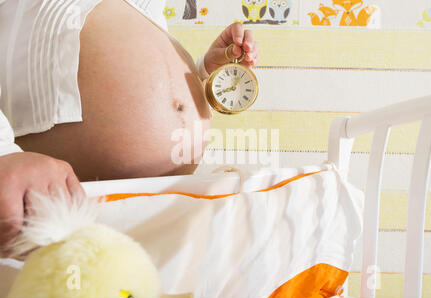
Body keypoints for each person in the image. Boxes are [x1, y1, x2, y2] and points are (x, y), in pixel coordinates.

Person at [0, 0, 259, 254]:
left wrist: (200, 73)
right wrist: (3, 152)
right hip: (62, 205)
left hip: (166, 208)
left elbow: (144, 75)